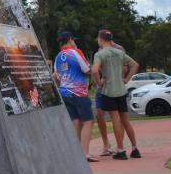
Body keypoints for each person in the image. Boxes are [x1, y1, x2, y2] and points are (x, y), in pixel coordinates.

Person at [92, 29, 141, 160]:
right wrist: (126, 79)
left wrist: (99, 83)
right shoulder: (119, 52)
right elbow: (135, 65)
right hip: (121, 89)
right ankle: (135, 148)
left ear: (101, 39)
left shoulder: (100, 54)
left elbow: (95, 70)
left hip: (109, 90)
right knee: (125, 120)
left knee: (115, 119)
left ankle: (121, 150)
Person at [53, 31, 97, 162]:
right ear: (70, 39)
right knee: (88, 121)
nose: (75, 42)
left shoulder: (58, 56)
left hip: (64, 92)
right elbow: (88, 70)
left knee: (76, 122)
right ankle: (85, 153)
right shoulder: (75, 52)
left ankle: (75, 153)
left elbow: (56, 76)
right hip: (78, 92)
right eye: (74, 40)